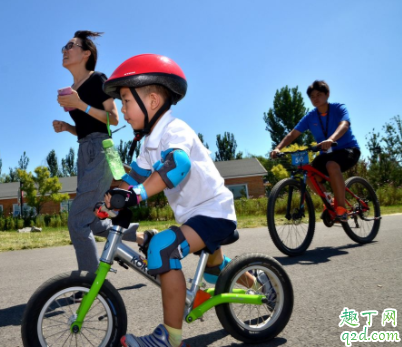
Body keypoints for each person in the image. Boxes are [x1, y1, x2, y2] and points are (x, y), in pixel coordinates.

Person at [101, 54, 264, 347]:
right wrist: (111, 198)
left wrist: (136, 194)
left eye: (126, 100)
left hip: (214, 213)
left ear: (152, 102)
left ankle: (170, 340)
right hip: (195, 217)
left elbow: (177, 165)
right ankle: (260, 283)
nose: (122, 110)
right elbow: (134, 177)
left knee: (163, 248)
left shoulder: (174, 131)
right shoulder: (149, 143)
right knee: (216, 271)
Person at [54, 30, 119, 274]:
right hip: (85, 149)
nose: (64, 50)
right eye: (64, 46)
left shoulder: (98, 78)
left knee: (78, 219)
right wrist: (68, 127)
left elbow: (112, 119)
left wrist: (80, 104)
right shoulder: (72, 88)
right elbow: (88, 127)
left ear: (86, 53)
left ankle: (91, 283)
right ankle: (146, 240)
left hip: (103, 149)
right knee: (93, 220)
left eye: (70, 45)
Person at [270, 80, 361, 222]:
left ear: (327, 94)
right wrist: (277, 148)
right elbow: (292, 134)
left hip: (348, 150)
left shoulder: (338, 108)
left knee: (331, 165)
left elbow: (344, 125)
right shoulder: (310, 117)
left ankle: (341, 209)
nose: (315, 98)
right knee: (309, 173)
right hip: (327, 154)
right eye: (312, 96)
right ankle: (329, 201)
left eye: (319, 94)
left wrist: (331, 139)